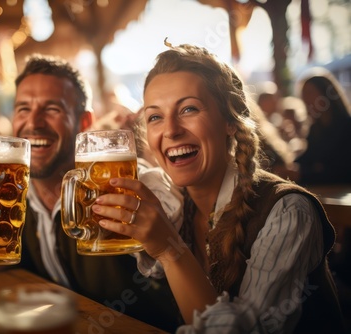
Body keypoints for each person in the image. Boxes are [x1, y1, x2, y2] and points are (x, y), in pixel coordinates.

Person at [0, 54, 183, 331]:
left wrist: (160, 229)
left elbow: (168, 224)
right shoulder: (8, 196)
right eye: (24, 108)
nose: (34, 123)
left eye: (52, 109)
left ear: (84, 122)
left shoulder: (127, 185)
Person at [93, 44, 345, 333]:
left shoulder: (287, 212)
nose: (171, 130)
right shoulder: (171, 203)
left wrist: (169, 249)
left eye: (188, 109)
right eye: (155, 117)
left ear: (229, 120)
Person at [293, 67, 351, 186]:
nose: (305, 99)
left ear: (325, 94)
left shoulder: (346, 127)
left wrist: (303, 174)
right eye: (303, 94)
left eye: (309, 93)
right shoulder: (315, 130)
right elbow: (306, 161)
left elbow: (341, 172)